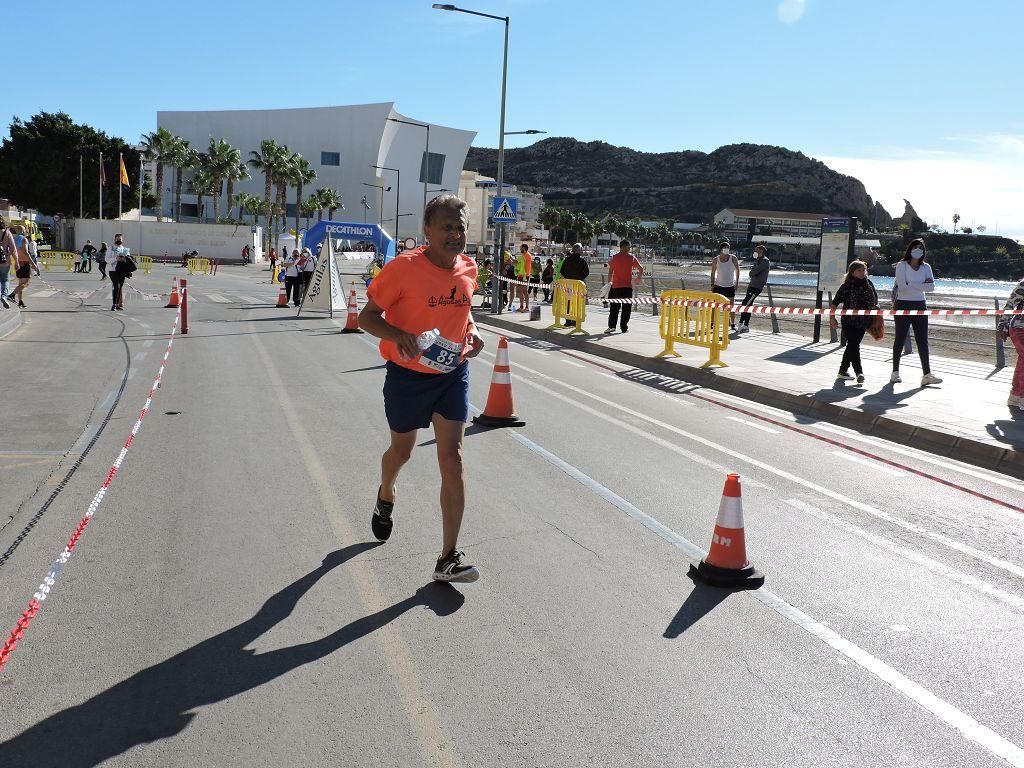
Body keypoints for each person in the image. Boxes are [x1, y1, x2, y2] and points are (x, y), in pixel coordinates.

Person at [358, 194, 485, 583]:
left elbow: (464, 313)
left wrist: (474, 333)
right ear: (427, 231)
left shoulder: (469, 267)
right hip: (407, 376)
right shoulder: (402, 269)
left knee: (453, 457)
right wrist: (399, 335)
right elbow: (366, 318)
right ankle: (386, 492)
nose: (455, 234)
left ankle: (447, 557)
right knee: (402, 451)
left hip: (452, 374)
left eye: (460, 227)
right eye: (447, 227)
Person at [891, 238, 942, 387]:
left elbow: (931, 287)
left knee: (922, 340)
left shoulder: (926, 267)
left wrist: (911, 284)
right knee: (899, 338)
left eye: (921, 248)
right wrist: (921, 285)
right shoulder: (902, 265)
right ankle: (895, 372)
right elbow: (902, 287)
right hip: (903, 305)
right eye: (915, 247)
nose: (918, 250)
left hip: (920, 305)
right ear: (910, 249)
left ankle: (927, 374)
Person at [829, 260, 878, 384]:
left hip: (864, 321)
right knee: (854, 344)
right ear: (852, 272)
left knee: (852, 345)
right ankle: (859, 372)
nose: (862, 273)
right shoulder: (847, 286)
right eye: (859, 270)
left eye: (863, 270)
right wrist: (832, 318)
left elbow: (875, 301)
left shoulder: (869, 284)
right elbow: (835, 303)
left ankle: (842, 370)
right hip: (848, 321)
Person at [605, 240, 643, 334]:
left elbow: (610, 272)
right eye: (629, 247)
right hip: (627, 287)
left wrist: (609, 283)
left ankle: (612, 327)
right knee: (626, 308)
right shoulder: (631, 258)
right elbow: (641, 268)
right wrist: (638, 278)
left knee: (614, 308)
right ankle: (624, 327)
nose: (630, 248)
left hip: (616, 287)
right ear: (625, 247)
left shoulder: (614, 257)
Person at [999, 276, 1024, 408]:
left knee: (1022, 361)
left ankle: (1015, 396)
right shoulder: (1023, 284)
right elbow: (1010, 304)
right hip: (1020, 328)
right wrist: (1002, 325)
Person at [737, 244, 771, 332]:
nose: (755, 252)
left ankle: (743, 323)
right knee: (747, 303)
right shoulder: (757, 261)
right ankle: (744, 324)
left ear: (762, 252)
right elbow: (750, 273)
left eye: (757, 251)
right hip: (751, 285)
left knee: (747, 303)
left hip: (757, 286)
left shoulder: (765, 261)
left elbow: (754, 272)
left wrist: (753, 272)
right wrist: (752, 272)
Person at [6, 225, 38, 309]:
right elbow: (26, 252)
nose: (25, 231)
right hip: (24, 263)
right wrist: (33, 264)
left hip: (18, 262)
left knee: (20, 283)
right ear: (21, 230)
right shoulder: (24, 239)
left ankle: (20, 301)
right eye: (24, 229)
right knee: (26, 283)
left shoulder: (14, 239)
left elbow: (10, 252)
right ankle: (12, 295)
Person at [710, 240, 740, 330]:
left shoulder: (733, 258)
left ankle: (733, 323)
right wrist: (712, 284)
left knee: (731, 305)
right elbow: (713, 272)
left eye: (728, 248)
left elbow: (738, 270)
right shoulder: (716, 259)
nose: (726, 250)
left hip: (730, 285)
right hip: (718, 286)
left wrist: (737, 283)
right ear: (721, 249)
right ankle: (712, 322)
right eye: (725, 248)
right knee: (715, 306)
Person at [559, 243, 590, 327]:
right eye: (581, 249)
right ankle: (576, 320)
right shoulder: (582, 260)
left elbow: (562, 271)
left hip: (568, 284)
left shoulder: (567, 260)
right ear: (578, 250)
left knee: (568, 302)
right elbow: (586, 272)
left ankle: (568, 320)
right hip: (579, 285)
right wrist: (580, 277)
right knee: (578, 302)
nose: (582, 251)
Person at [107, 233, 131, 310]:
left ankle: (117, 304)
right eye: (117, 239)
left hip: (122, 271)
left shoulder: (124, 249)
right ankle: (114, 304)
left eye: (120, 239)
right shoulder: (111, 248)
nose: (118, 240)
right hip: (113, 270)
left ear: (122, 240)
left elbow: (129, 260)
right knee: (116, 286)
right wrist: (116, 259)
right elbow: (106, 259)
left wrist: (125, 259)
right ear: (114, 239)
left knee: (120, 287)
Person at [0, 220, 15, 309]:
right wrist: (16, 261)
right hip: (4, 262)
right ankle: (4, 296)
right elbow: (13, 249)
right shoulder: (7, 233)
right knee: (5, 280)